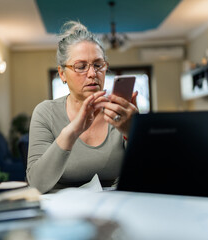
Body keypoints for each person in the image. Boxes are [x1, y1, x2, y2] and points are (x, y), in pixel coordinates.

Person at [26, 21, 138, 193]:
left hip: (113, 205)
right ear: (62, 74)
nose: (92, 74)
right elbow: (36, 185)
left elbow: (149, 175)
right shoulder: (46, 112)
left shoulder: (121, 113)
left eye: (98, 65)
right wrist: (72, 132)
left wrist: (133, 132)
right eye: (81, 67)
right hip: (61, 208)